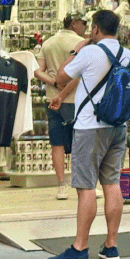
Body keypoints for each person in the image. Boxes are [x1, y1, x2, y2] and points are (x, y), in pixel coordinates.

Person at [46, 10, 130, 259]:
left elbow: (60, 77)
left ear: (96, 29)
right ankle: (111, 246)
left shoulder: (89, 52)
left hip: (90, 127)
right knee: (111, 183)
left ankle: (80, 247)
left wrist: (77, 49)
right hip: (118, 127)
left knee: (86, 186)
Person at [35, 12, 86, 200]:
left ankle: (61, 186)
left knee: (57, 143)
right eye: (83, 23)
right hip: (77, 100)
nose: (86, 27)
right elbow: (80, 73)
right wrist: (65, 85)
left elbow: (37, 71)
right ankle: (83, 183)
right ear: (74, 24)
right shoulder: (80, 43)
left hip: (53, 100)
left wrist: (55, 83)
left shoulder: (48, 43)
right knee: (81, 142)